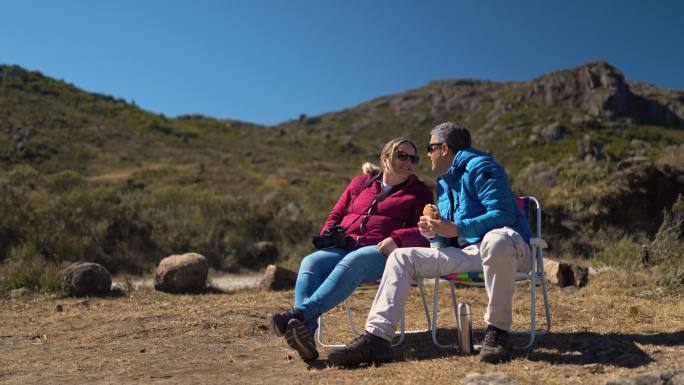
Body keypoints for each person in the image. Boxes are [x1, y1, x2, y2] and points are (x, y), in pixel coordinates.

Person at [328, 122, 532, 366]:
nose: (426, 155)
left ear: (444, 149)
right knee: (402, 257)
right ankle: (377, 338)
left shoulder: (483, 167)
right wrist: (433, 232)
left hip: (510, 250)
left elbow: (503, 216)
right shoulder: (444, 184)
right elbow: (445, 238)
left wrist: (455, 228)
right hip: (467, 252)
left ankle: (498, 332)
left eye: (429, 147)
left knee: (495, 240)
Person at [268, 137, 433, 362]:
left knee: (354, 261)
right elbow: (336, 214)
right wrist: (329, 235)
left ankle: (298, 316)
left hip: (381, 252)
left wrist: (397, 238)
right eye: (402, 155)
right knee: (310, 262)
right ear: (385, 159)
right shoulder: (360, 183)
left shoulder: (419, 192)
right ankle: (305, 334)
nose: (409, 162)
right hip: (344, 245)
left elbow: (425, 232)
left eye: (413, 158)